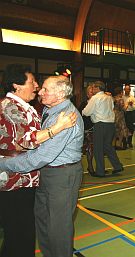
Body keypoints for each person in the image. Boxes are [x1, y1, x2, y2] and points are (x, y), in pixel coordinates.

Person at [0, 75, 84, 257]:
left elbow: (42, 156)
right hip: (45, 174)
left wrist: (5, 164)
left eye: (46, 89)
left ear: (61, 93)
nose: (40, 91)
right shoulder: (48, 110)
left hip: (62, 176)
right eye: (41, 87)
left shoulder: (66, 117)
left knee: (58, 228)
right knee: (44, 223)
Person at [82, 81, 123, 177]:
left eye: (93, 87)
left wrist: (83, 111)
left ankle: (100, 171)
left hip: (100, 125)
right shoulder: (109, 98)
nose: (92, 89)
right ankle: (117, 166)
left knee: (98, 148)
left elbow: (87, 112)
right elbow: (112, 108)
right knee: (108, 146)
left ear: (97, 88)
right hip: (110, 125)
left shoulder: (95, 98)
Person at [78, 84, 95, 174]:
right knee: (85, 149)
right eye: (91, 92)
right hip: (86, 129)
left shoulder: (98, 102)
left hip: (95, 128)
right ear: (87, 94)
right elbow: (79, 115)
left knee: (92, 148)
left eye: (94, 91)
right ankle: (87, 166)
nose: (93, 93)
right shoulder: (84, 104)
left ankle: (90, 166)